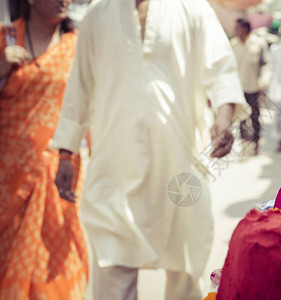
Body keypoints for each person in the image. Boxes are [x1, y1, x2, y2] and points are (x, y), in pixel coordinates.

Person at [52, 0, 247, 299]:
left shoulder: (192, 9)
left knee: (184, 262)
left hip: (179, 164)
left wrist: (223, 116)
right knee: (112, 261)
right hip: (114, 164)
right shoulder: (98, 14)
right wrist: (66, 150)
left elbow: (220, 67)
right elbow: (80, 84)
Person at [0, 0, 89, 299]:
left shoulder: (78, 46)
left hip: (59, 169)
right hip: (7, 176)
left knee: (53, 262)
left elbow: (89, 107)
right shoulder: (6, 38)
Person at [231, 18, 271, 155]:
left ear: (245, 29)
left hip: (254, 86)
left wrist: (264, 81)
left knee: (255, 117)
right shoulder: (233, 44)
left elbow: (266, 64)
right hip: (238, 87)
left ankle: (256, 143)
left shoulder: (259, 44)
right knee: (241, 117)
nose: (235, 31)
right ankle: (244, 145)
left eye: (238, 28)